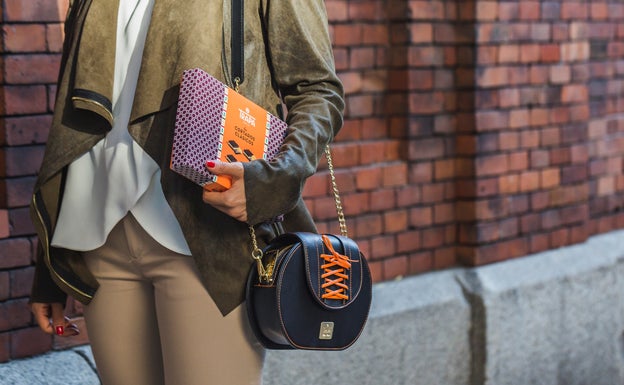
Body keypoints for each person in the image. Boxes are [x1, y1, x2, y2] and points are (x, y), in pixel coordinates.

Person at [28, 0, 344, 384]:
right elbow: (72, 116)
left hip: (206, 236)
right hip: (98, 236)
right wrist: (48, 267)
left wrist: (275, 178)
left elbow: (317, 89)